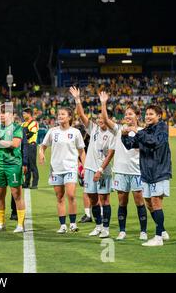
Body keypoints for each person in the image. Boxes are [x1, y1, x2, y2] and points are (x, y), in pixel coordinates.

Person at [99, 91, 148, 241]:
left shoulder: (142, 132)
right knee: (122, 202)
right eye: (126, 114)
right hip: (120, 171)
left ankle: (143, 231)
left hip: (136, 172)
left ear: (137, 116)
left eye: (131, 114)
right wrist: (103, 103)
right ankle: (122, 231)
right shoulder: (119, 129)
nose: (127, 116)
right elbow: (106, 120)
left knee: (139, 201)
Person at [122, 104, 172, 247]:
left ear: (158, 116)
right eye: (147, 114)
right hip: (146, 173)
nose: (148, 116)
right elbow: (130, 145)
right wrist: (124, 136)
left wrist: (135, 130)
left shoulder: (162, 128)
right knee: (149, 203)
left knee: (156, 202)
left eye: (151, 114)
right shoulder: (144, 131)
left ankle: (158, 238)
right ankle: (162, 230)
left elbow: (154, 142)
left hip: (159, 171)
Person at [70, 86, 115, 238]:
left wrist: (103, 103)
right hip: (89, 169)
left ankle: (106, 228)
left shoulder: (112, 133)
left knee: (104, 199)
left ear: (108, 120)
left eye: (103, 119)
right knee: (92, 198)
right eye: (98, 119)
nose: (100, 121)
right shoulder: (93, 129)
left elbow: (110, 154)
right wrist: (77, 99)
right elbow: (81, 115)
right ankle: (98, 226)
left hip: (103, 171)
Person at [39, 107, 86, 234]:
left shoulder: (75, 132)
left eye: (63, 114)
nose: (60, 116)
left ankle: (72, 223)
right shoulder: (52, 131)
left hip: (70, 167)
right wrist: (41, 153)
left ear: (69, 117)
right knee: (59, 197)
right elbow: (42, 146)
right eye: (59, 114)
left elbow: (81, 151)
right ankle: (62, 225)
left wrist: (84, 167)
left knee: (70, 195)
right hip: (56, 169)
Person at [0, 104, 26, 233]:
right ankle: (1, 223)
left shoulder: (17, 127)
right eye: (0, 113)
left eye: (5, 113)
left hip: (13, 164)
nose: (2, 115)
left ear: (12, 115)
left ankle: (20, 224)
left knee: (17, 194)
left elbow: (15, 144)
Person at [21, 108, 39, 189]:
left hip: (31, 145)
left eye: (24, 113)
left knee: (32, 164)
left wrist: (23, 137)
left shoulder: (34, 123)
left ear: (29, 114)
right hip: (25, 146)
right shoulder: (23, 124)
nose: (23, 115)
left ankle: (35, 183)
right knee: (26, 165)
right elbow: (20, 133)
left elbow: (31, 134)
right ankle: (26, 182)